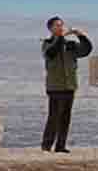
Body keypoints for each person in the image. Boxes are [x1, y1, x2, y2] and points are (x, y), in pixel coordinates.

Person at [40, 16, 94, 152]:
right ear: (50, 28)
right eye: (57, 26)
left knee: (65, 118)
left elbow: (86, 50)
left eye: (61, 25)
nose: (60, 28)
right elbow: (52, 52)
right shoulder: (47, 43)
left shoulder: (70, 45)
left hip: (69, 85)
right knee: (54, 117)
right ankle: (46, 145)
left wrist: (81, 35)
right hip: (55, 87)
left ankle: (61, 146)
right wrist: (61, 37)